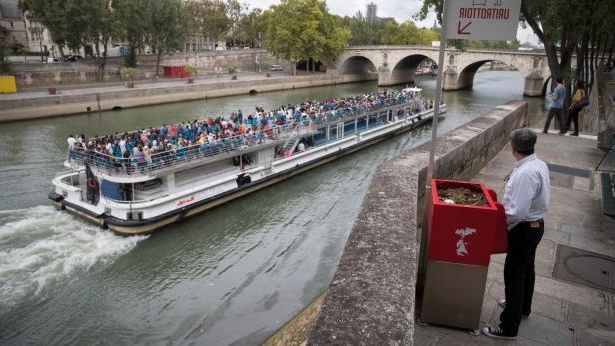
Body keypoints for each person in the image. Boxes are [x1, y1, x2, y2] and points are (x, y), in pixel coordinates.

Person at [483, 128, 550, 340]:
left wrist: (502, 226)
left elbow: (517, 212)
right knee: (526, 269)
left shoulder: (525, 173)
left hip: (523, 229)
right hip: (536, 225)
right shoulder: (538, 164)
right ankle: (522, 308)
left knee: (514, 275)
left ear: (513, 148)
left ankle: (508, 327)